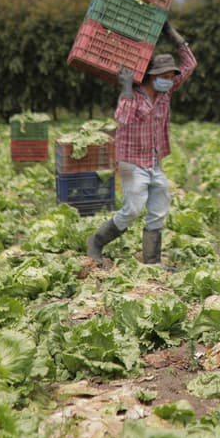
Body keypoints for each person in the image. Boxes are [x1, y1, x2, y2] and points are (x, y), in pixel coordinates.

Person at [86, 20, 196, 267]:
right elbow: (123, 118)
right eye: (164, 76)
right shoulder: (134, 96)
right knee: (133, 209)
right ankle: (96, 241)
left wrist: (172, 34)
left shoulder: (165, 93)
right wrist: (126, 88)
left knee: (159, 208)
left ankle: (152, 262)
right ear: (152, 76)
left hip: (154, 160)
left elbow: (190, 65)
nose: (169, 80)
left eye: (171, 76)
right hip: (132, 162)